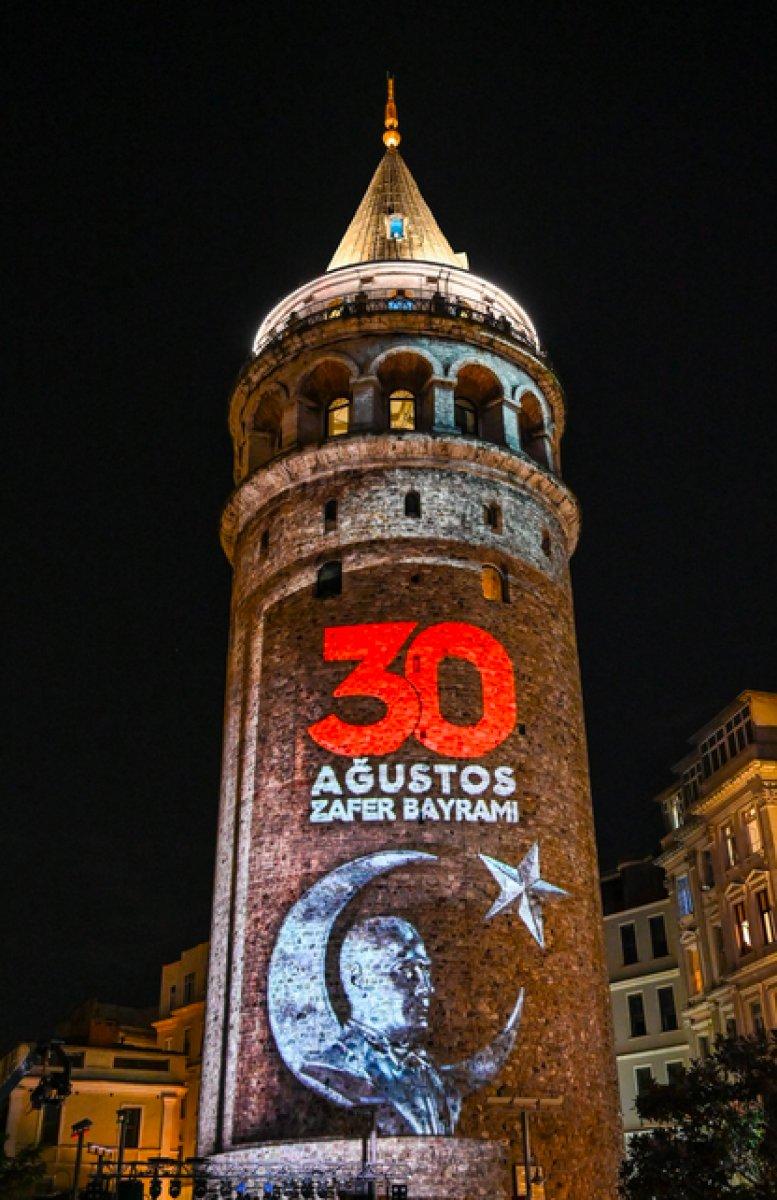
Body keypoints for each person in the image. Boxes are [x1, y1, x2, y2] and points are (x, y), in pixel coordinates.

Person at [301, 916, 461, 1135]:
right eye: (407, 971)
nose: (426, 988)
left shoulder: (429, 1074)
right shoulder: (335, 1069)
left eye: (425, 971)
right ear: (358, 979)